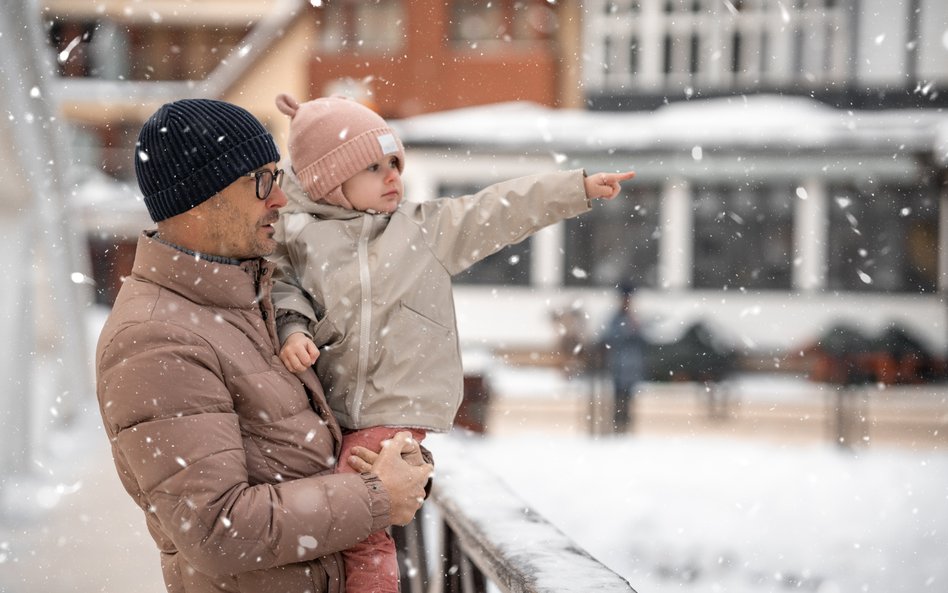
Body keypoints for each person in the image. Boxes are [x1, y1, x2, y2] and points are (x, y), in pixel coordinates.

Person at [269, 93, 635, 593]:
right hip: (328, 411)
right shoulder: (296, 237)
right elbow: (281, 286)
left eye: (396, 163)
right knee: (328, 516)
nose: (394, 176)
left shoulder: (423, 230)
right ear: (330, 181)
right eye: (375, 167)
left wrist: (576, 189)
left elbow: (499, 210)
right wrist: (292, 328)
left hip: (392, 407)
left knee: (360, 517)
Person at [95, 98, 433, 593]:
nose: (280, 199)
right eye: (261, 181)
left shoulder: (251, 302)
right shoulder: (154, 340)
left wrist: (394, 458)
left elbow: (308, 449)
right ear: (199, 195)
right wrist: (377, 496)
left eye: (279, 176)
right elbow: (215, 529)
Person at [600, 282, 647, 433]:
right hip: (619, 366)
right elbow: (609, 337)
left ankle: (625, 424)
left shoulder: (633, 318)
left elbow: (642, 339)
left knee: (628, 397)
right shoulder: (616, 319)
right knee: (618, 396)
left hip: (631, 366)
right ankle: (618, 424)